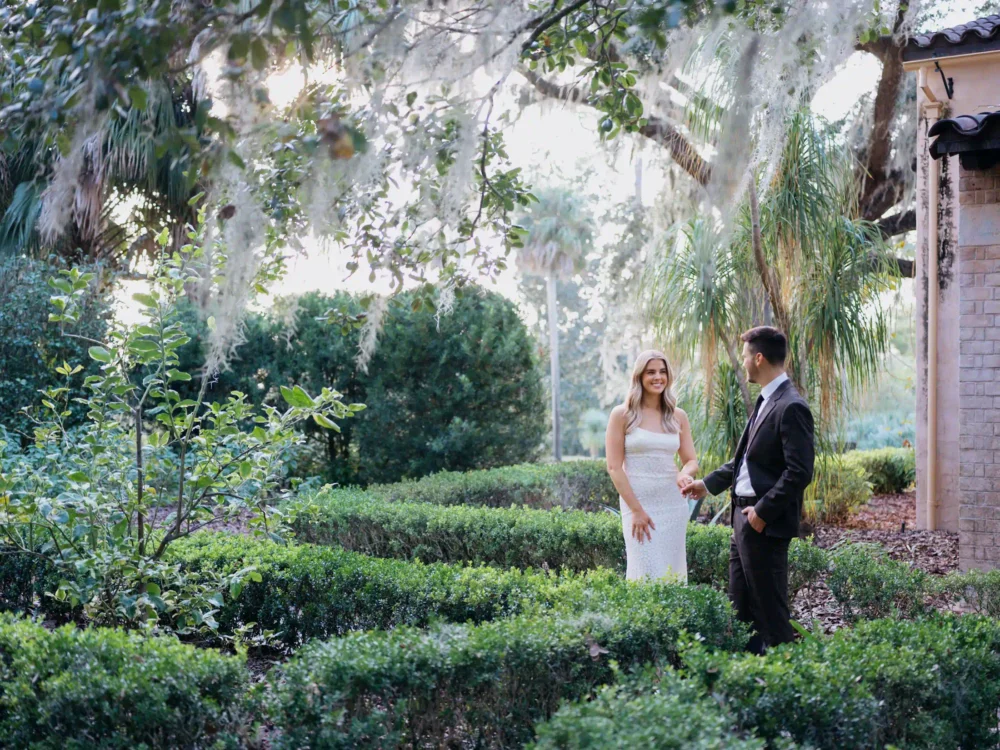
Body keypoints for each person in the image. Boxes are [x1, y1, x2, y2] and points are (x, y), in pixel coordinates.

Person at [684, 326, 814, 654]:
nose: (742, 364)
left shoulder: (790, 406)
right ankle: (749, 682)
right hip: (743, 520)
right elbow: (746, 462)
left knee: (770, 613)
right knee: (740, 611)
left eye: (744, 357)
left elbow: (800, 472)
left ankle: (789, 687)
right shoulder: (766, 401)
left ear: (758, 358)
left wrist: (762, 513)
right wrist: (708, 484)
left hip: (762, 523)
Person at [605, 350, 698, 582]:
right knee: (642, 570)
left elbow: (691, 461)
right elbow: (614, 468)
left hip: (672, 505)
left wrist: (683, 475)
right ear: (639, 376)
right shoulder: (622, 415)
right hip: (637, 505)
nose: (658, 377)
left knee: (671, 572)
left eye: (663, 372)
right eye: (651, 372)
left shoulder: (678, 416)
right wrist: (636, 510)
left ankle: (673, 619)